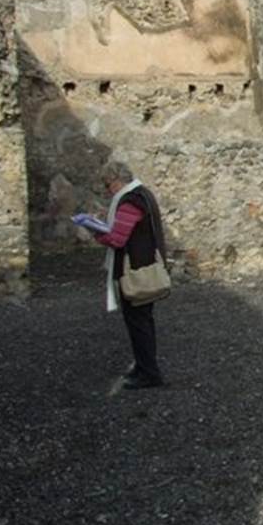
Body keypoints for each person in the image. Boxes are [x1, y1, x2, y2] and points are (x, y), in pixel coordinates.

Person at [95, 161, 167, 390]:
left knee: (138, 322)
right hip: (144, 265)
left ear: (117, 180)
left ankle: (148, 372)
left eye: (108, 185)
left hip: (135, 270)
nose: (108, 191)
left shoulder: (130, 201)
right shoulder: (142, 194)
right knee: (141, 320)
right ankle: (144, 365)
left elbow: (117, 238)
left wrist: (94, 230)